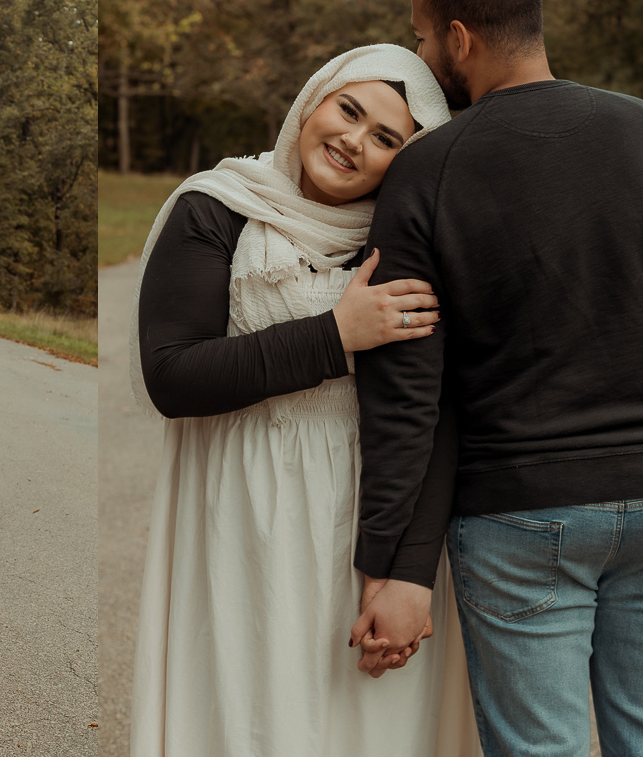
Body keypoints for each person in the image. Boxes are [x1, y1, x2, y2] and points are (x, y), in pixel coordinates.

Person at [350, 0, 643, 757]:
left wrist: (388, 563)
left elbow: (407, 393)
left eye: (423, 37)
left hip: (522, 514)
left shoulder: (428, 170)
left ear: (459, 38)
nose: (423, 56)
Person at [127, 45, 481, 756]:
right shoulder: (218, 206)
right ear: (312, 102)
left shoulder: (408, 238)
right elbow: (172, 374)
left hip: (365, 517)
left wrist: (407, 571)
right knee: (249, 711)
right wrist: (336, 337)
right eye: (348, 110)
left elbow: (439, 412)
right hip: (237, 506)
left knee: (365, 722)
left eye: (387, 139)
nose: (355, 140)